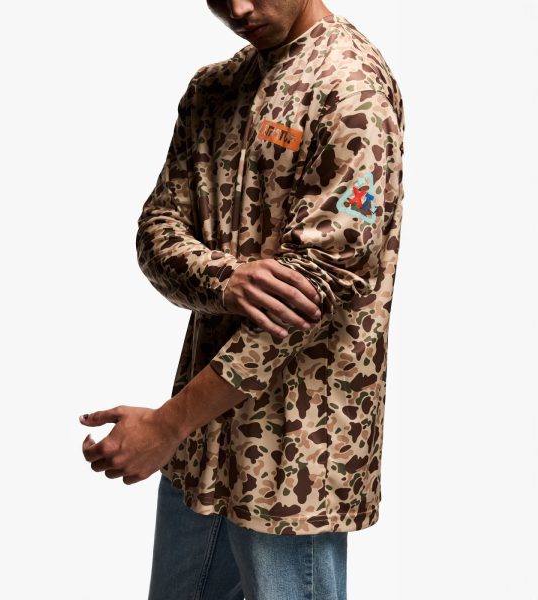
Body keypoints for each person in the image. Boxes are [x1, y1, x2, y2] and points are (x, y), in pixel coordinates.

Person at [80, 1, 405, 598]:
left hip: (295, 455)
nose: (238, 8)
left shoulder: (351, 88)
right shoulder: (214, 89)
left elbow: (310, 296)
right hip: (202, 446)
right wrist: (225, 278)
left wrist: (168, 423)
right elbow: (156, 230)